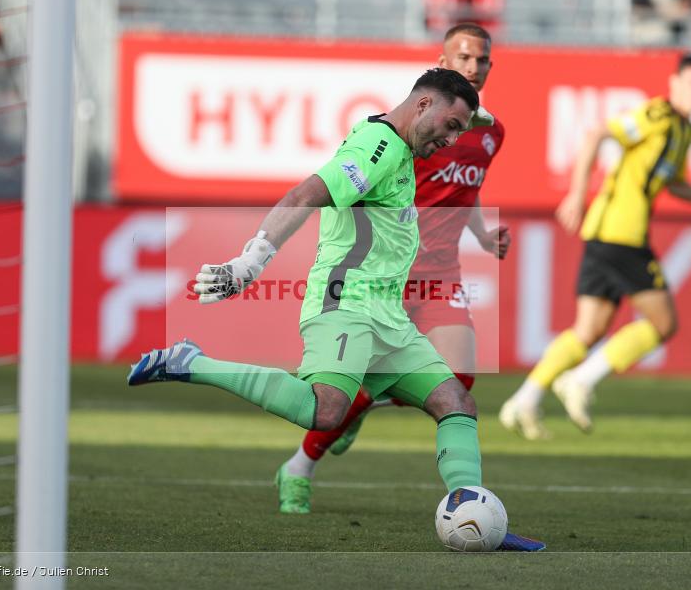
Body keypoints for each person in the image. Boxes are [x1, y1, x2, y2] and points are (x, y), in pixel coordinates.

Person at [129, 66, 490, 521]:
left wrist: (471, 109)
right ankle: (189, 363)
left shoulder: (402, 143)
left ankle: (471, 509)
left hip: (389, 318)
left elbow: (459, 112)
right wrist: (251, 262)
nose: (453, 139)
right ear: (422, 105)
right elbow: (304, 195)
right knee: (325, 411)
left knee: (455, 401)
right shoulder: (376, 148)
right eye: (451, 126)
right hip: (346, 307)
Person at [276, 23, 508, 515]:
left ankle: (365, 400)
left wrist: (483, 233)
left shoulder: (489, 133)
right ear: (441, 61)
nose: (473, 66)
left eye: (482, 59)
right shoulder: (413, 126)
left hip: (442, 272)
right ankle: (300, 465)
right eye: (463, 58)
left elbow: (469, 189)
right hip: (386, 273)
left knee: (459, 380)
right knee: (345, 393)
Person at [499, 53, 691, 441]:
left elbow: (674, 182)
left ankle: (524, 399)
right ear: (675, 82)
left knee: (588, 330)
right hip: (620, 235)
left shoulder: (685, 132)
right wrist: (578, 192)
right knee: (665, 323)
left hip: (609, 235)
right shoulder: (656, 115)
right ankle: (580, 380)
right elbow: (598, 134)